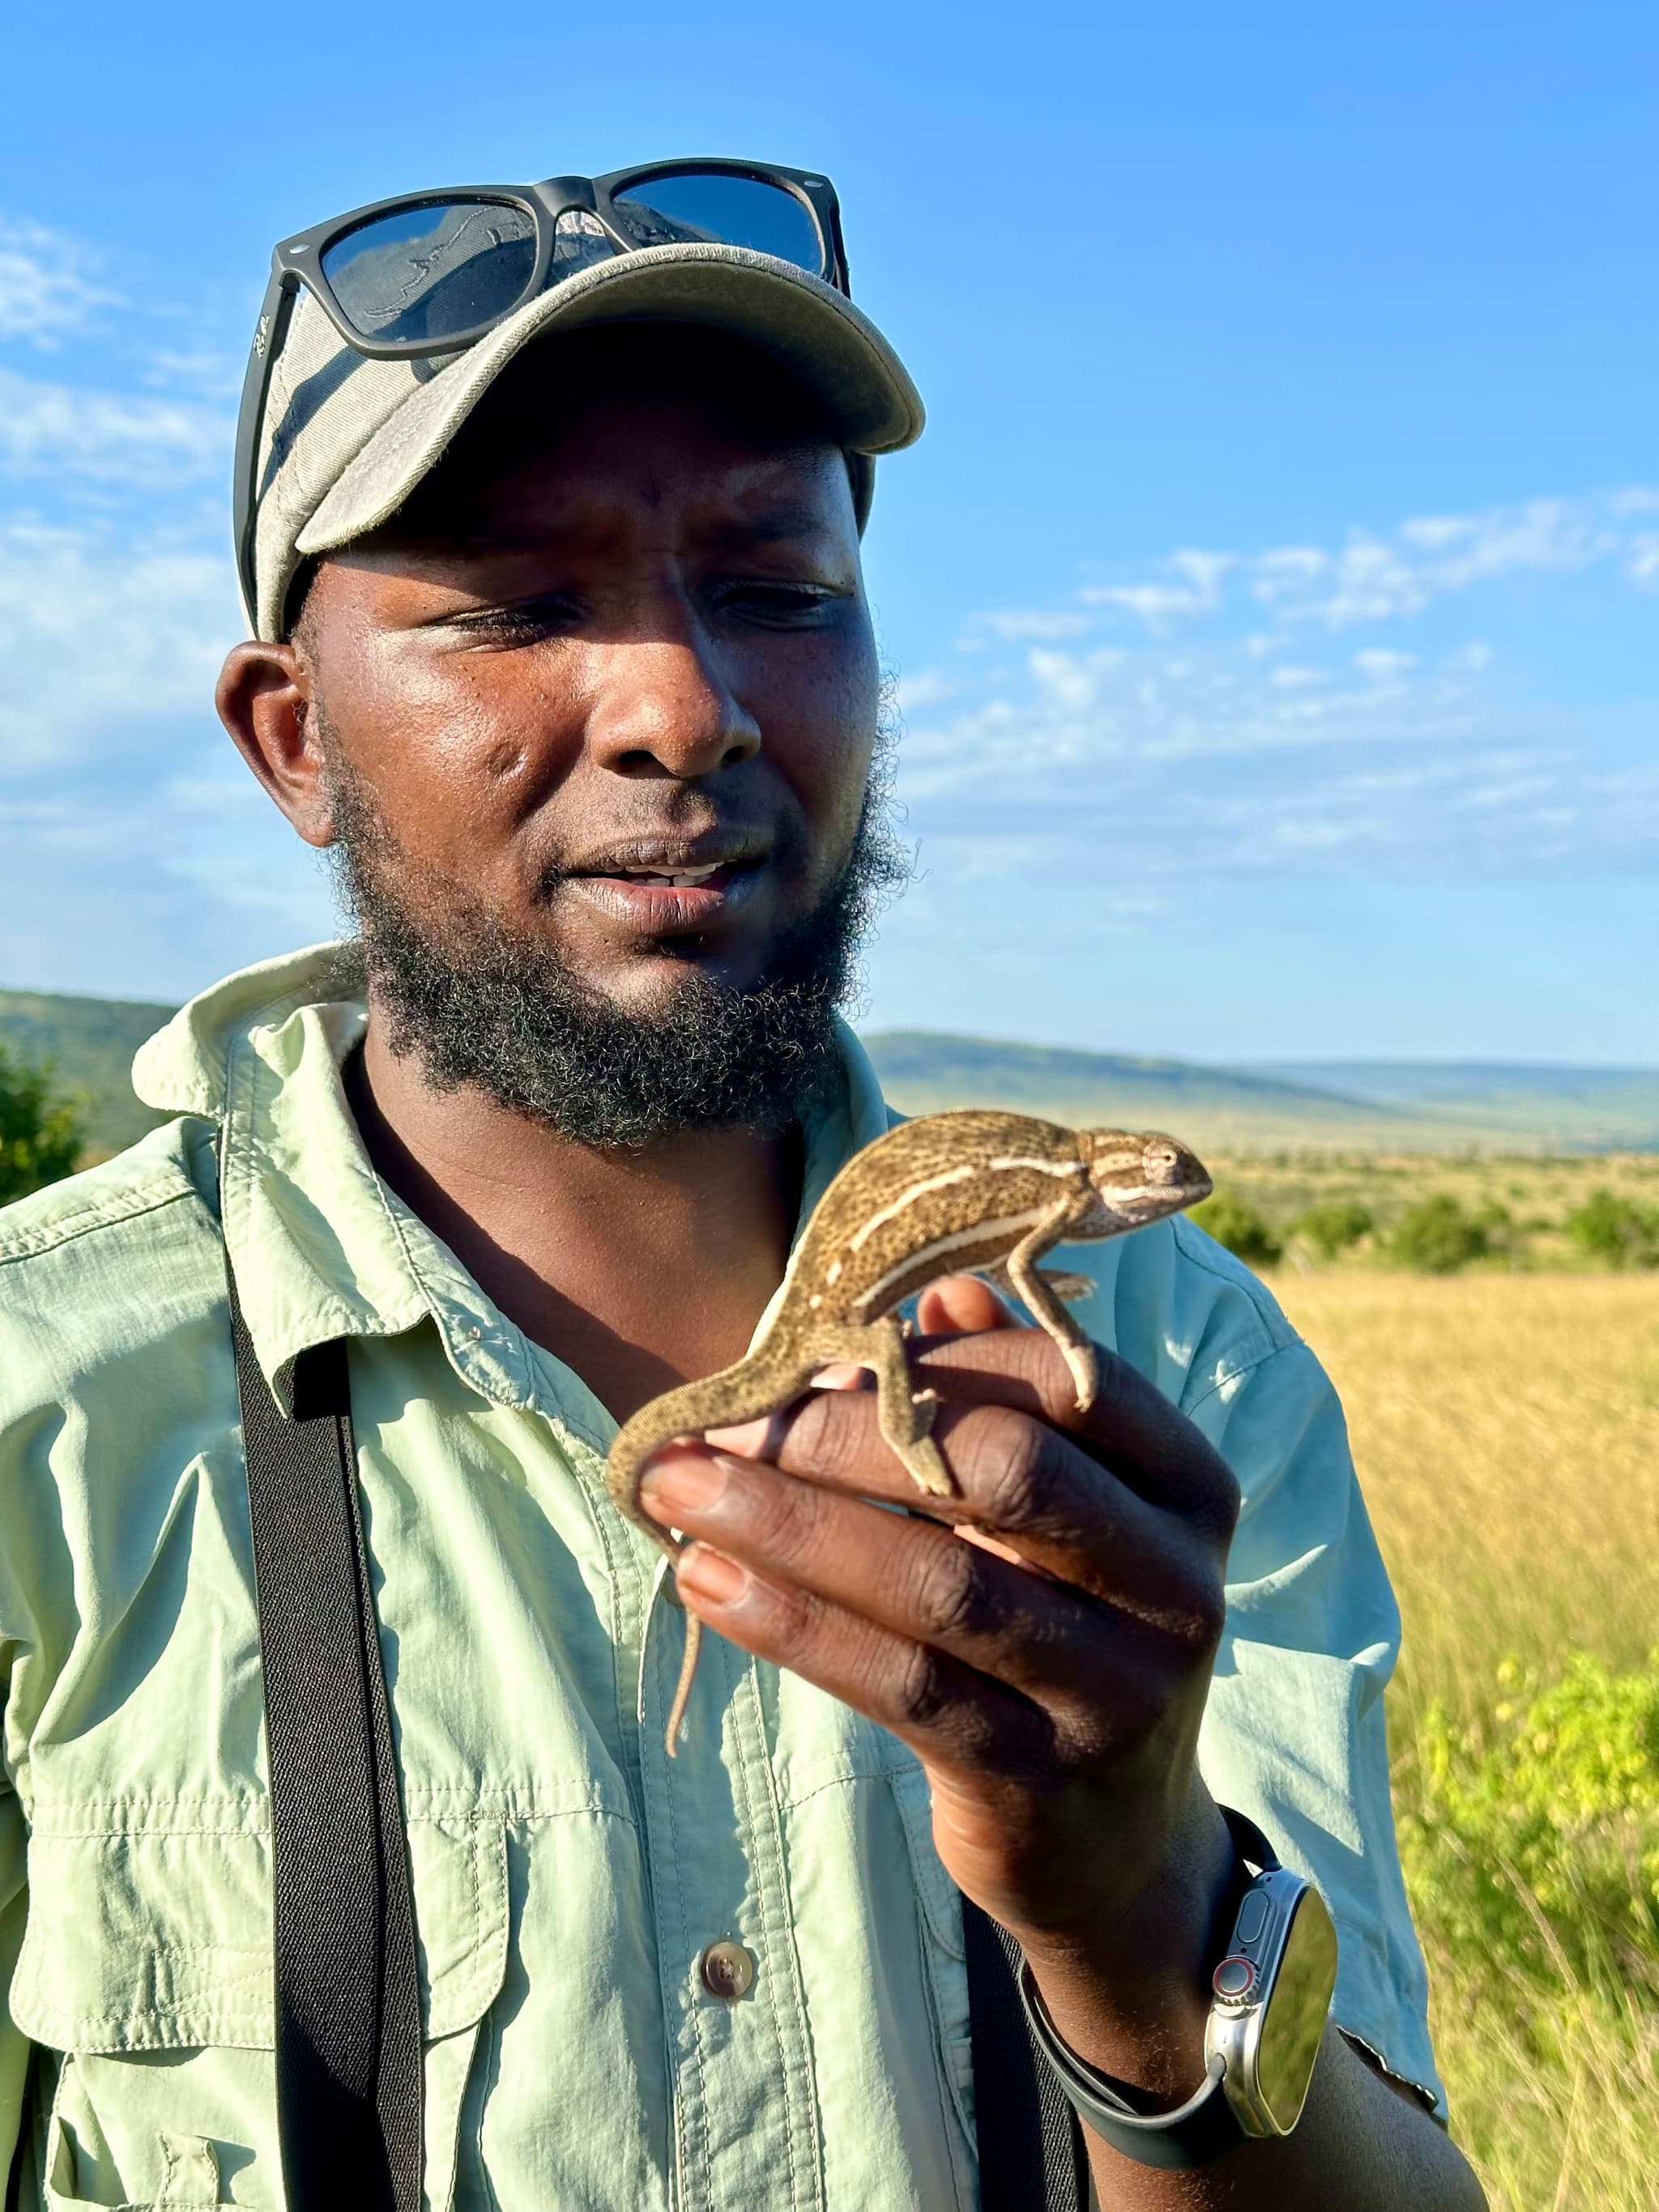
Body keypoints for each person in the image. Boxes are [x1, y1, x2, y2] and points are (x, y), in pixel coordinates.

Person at [0, 162, 1483, 2210]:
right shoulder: (44, 1398)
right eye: (515, 603)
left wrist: (1140, 1921)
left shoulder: (1183, 1373)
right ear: (294, 741)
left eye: (779, 592)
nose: (684, 708)